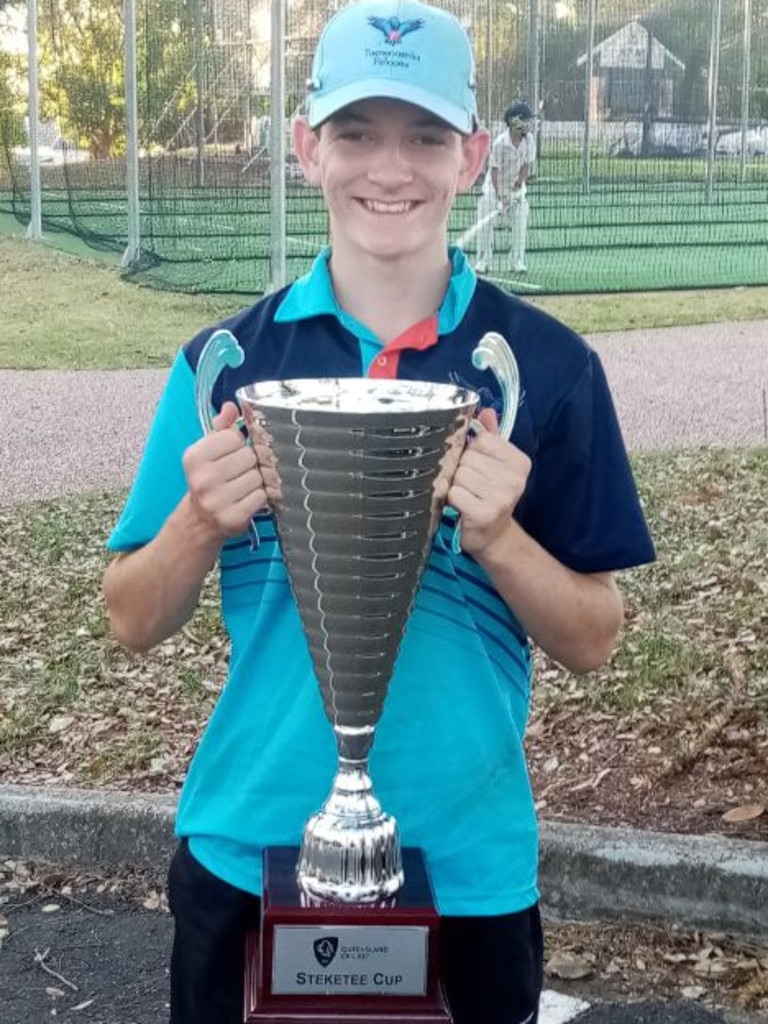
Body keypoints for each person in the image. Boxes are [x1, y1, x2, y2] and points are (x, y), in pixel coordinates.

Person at [103, 2, 654, 1023]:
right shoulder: (228, 365)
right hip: (247, 848)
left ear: (473, 154)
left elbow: (595, 638)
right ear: (308, 147)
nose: (388, 169)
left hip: (468, 861)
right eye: (357, 133)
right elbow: (131, 617)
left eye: (425, 137)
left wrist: (500, 537)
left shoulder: (547, 369)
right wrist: (196, 522)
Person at [473, 101, 536, 276]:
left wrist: (516, 190)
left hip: (516, 190)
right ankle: (483, 261)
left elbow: (526, 167)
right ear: (515, 121)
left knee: (520, 220)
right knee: (485, 221)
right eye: (527, 120)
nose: (530, 124)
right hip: (493, 190)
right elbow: (494, 171)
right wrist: (500, 197)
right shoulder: (500, 143)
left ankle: (517, 262)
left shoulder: (529, 140)